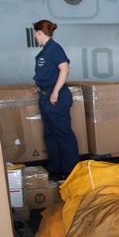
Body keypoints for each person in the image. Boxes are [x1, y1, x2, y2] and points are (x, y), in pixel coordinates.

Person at [30, 19, 79, 181]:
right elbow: (48, 73)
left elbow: (64, 69)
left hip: (56, 97)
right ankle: (55, 168)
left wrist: (55, 92)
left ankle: (71, 171)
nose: (35, 37)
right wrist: (40, 87)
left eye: (35, 34)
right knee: (50, 134)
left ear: (39, 32)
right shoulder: (46, 50)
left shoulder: (54, 48)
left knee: (63, 134)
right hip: (46, 95)